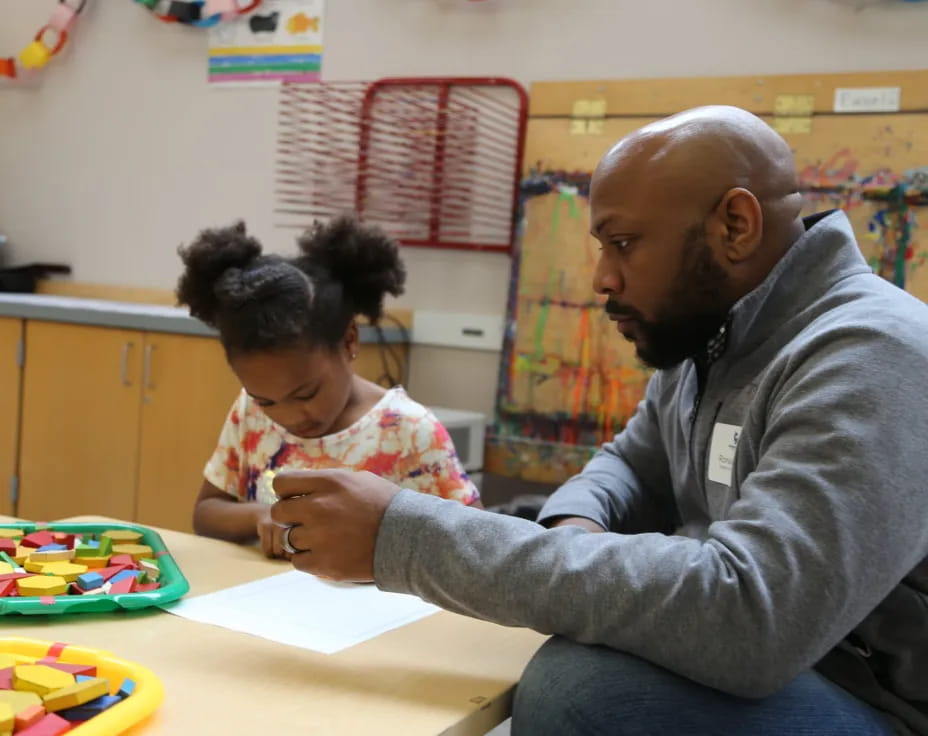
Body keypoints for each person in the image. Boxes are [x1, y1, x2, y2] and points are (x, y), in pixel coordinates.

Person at [268, 107, 928, 735]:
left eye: (623, 242)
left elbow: (751, 616)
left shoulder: (875, 353)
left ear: (735, 225)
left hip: (868, 704)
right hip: (782, 669)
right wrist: (571, 528)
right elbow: (631, 465)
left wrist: (404, 540)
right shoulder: (707, 340)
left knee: (583, 688)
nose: (602, 279)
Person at [176, 216, 480, 559]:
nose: (289, 416)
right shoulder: (249, 412)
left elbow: (475, 544)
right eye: (267, 401)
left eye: (306, 394)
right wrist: (262, 516)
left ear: (349, 339)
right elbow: (206, 514)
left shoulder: (407, 430)